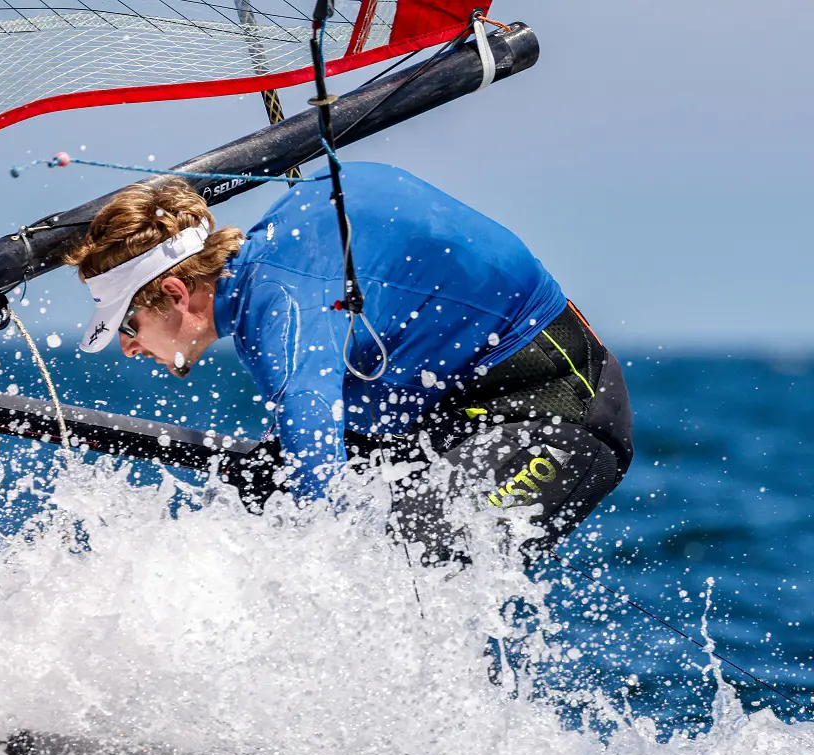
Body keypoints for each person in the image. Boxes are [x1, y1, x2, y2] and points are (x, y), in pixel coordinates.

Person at [66, 162, 633, 567]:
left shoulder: (278, 311)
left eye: (128, 326)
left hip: (560, 415)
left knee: (400, 561)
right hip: (444, 414)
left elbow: (321, 498)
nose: (129, 348)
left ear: (174, 292)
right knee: (258, 506)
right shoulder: (283, 255)